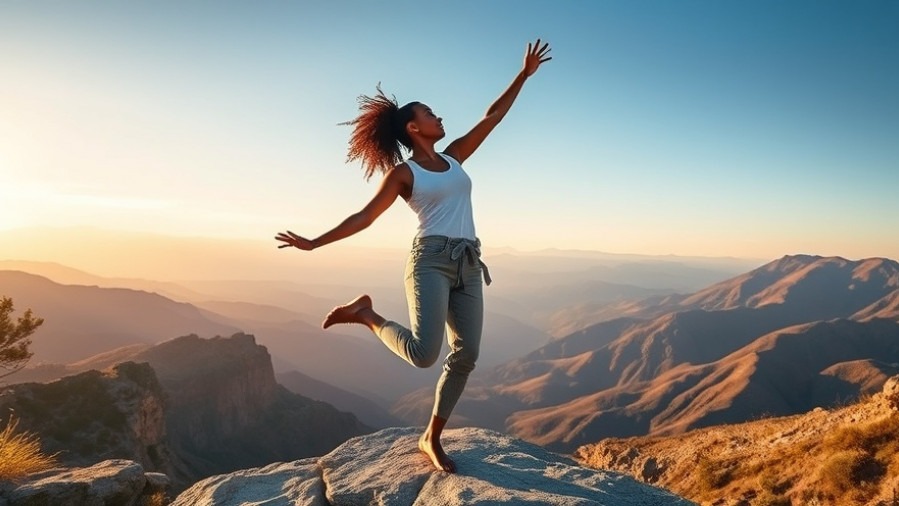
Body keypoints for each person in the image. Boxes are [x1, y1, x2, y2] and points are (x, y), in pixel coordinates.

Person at [275, 39, 551, 473]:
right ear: (413, 129)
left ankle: (431, 438)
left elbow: (492, 117)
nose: (439, 116)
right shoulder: (404, 173)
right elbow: (365, 216)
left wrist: (523, 75)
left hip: (468, 262)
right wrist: (313, 242)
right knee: (425, 353)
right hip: (431, 261)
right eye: (429, 113)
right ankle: (366, 314)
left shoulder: (455, 156)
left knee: (467, 354)